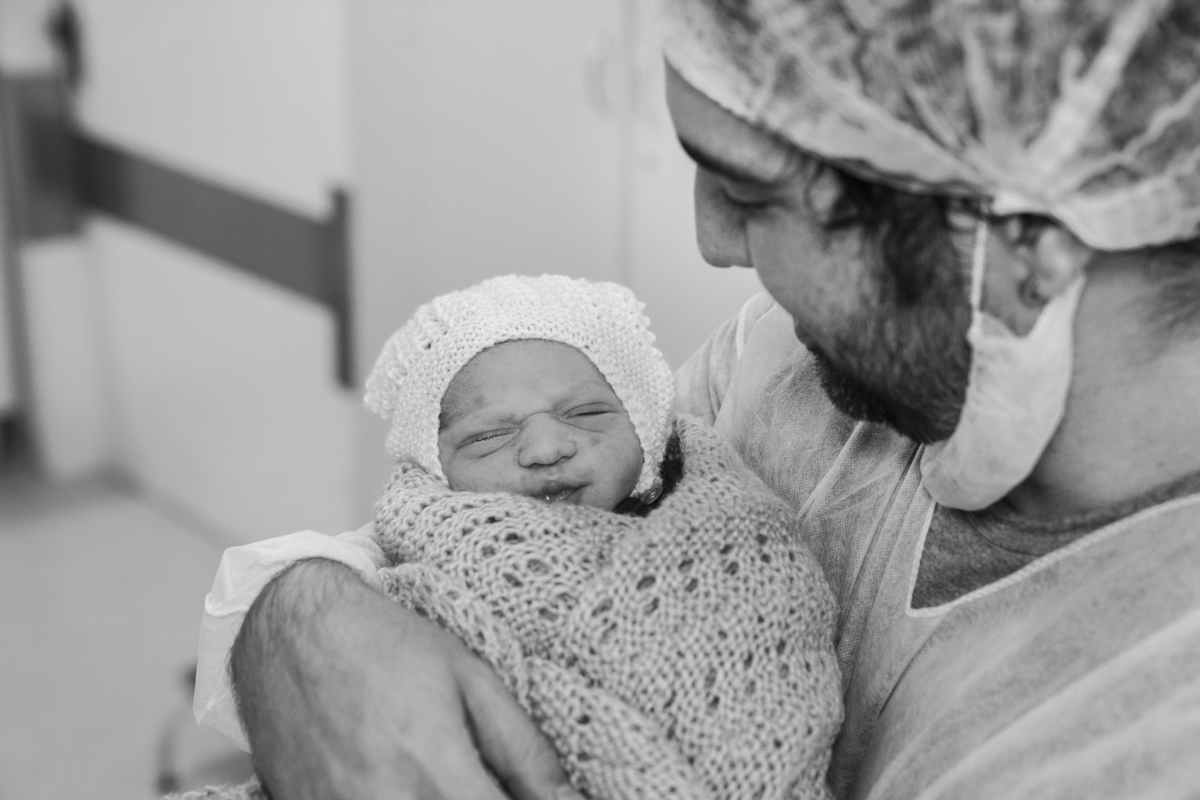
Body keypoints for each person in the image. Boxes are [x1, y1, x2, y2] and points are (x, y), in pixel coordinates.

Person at [195, 2, 1200, 799]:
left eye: (751, 193)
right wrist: (295, 620)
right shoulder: (786, 362)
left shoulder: (1156, 726)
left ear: (1030, 243)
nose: (713, 243)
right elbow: (497, 534)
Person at [194, 274, 842, 800]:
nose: (547, 446)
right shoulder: (427, 540)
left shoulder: (723, 528)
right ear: (436, 473)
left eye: (587, 413)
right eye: (488, 436)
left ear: (647, 433)